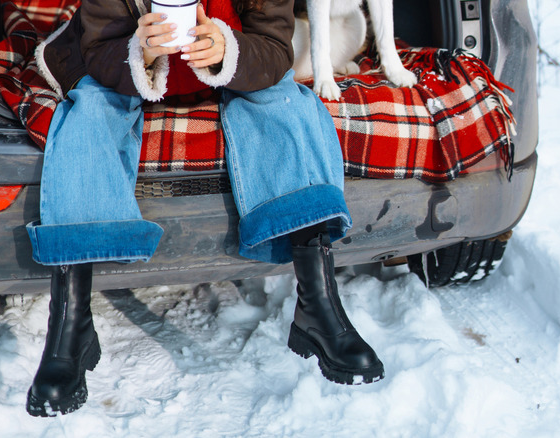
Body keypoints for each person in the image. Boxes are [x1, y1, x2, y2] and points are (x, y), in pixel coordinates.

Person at [24, 0, 384, 417]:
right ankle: (72, 326)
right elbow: (98, 49)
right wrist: (142, 51)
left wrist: (228, 50)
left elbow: (274, 46)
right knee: (86, 112)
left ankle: (318, 307)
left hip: (228, 62)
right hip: (123, 68)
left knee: (288, 102)